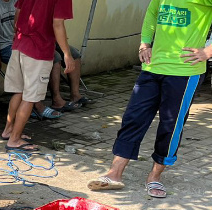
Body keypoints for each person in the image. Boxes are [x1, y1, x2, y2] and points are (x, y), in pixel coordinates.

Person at [87, 0, 212, 198]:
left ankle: (155, 176)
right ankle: (115, 174)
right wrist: (145, 43)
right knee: (133, 117)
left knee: (170, 126)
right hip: (152, 67)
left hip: (184, 72)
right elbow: (152, 14)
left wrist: (208, 51)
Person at [2, 0, 74, 152]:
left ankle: (9, 131)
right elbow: (58, 24)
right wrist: (67, 54)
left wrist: (20, 36)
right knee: (30, 97)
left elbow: (18, 13)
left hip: (19, 45)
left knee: (19, 92)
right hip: (38, 50)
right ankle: (14, 140)